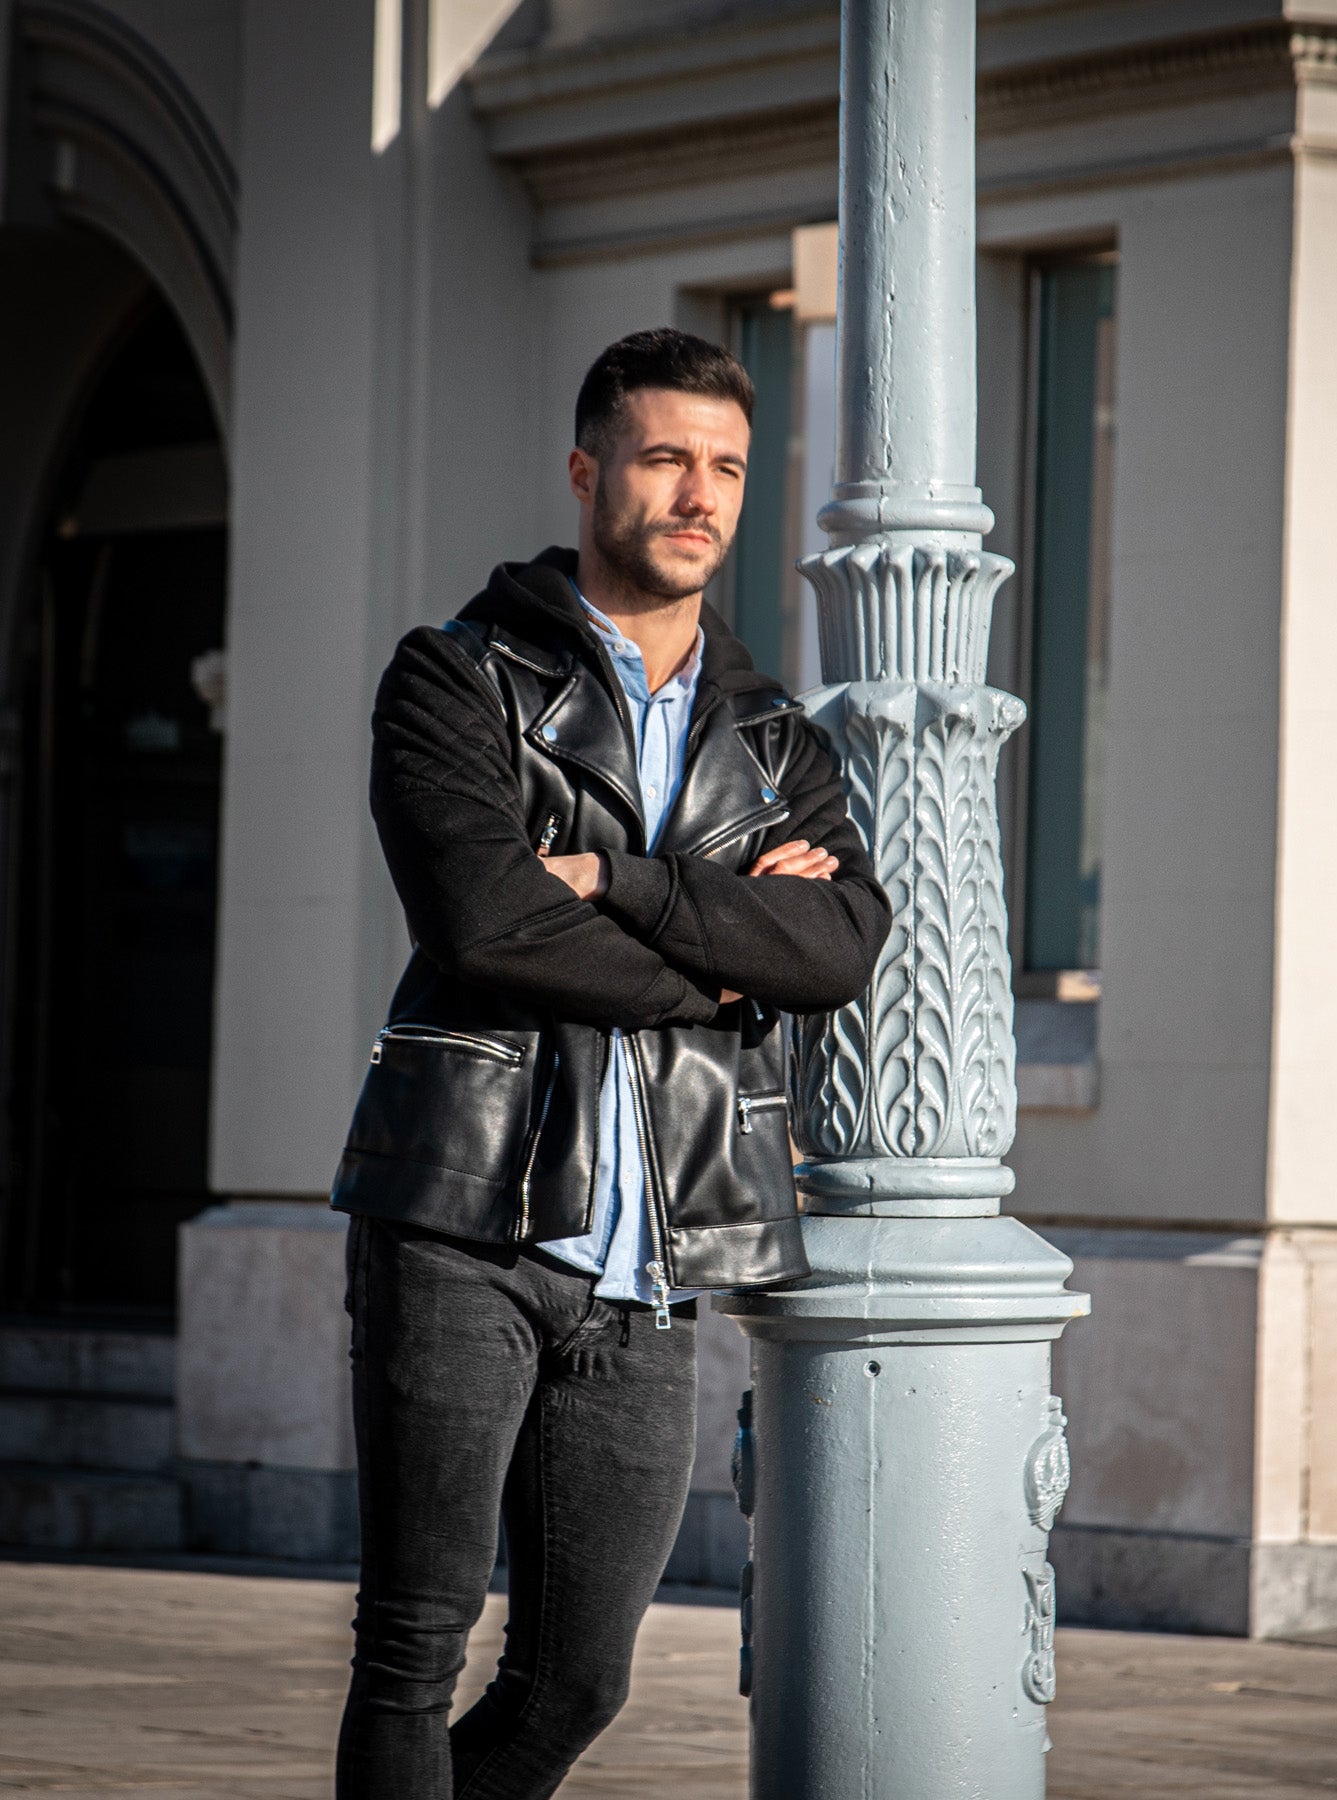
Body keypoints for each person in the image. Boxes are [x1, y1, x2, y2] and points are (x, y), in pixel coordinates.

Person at [328, 328, 890, 1799]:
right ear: (589, 471)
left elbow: (838, 950)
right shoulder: (457, 680)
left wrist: (628, 889)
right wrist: (727, 951)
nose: (696, 494)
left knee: (580, 1676)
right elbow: (487, 921)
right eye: (662, 458)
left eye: (725, 468)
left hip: (657, 1258)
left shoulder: (774, 738)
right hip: (464, 1222)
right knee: (414, 1643)